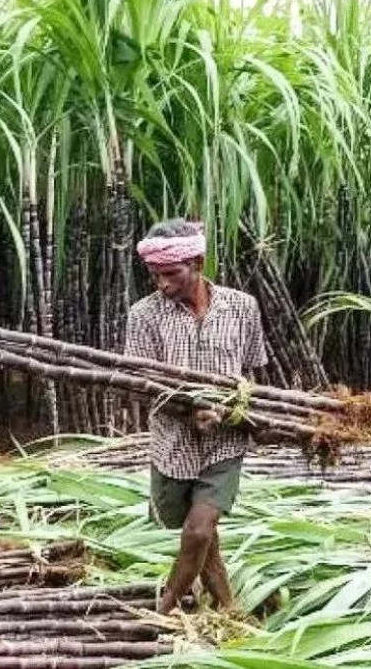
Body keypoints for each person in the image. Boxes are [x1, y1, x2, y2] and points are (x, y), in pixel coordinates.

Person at [124, 219, 267, 614]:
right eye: (155, 276)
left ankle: (164, 610)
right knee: (200, 536)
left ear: (199, 262)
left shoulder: (242, 307)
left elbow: (252, 372)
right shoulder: (144, 315)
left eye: (172, 274)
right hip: (173, 444)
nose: (162, 284)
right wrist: (191, 413)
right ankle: (229, 607)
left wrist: (237, 411)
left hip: (226, 441)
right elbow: (144, 384)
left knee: (199, 528)